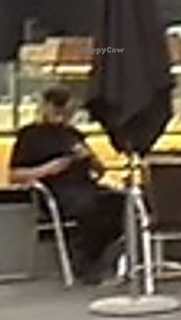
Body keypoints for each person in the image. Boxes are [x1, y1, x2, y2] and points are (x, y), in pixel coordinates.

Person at [9, 86, 123, 284]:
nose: (61, 115)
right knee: (91, 207)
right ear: (45, 107)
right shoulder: (30, 136)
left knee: (121, 203)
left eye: (66, 111)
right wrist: (48, 169)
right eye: (57, 109)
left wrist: (90, 158)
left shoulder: (72, 134)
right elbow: (15, 175)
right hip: (56, 191)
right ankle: (86, 261)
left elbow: (99, 170)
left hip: (85, 186)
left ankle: (102, 258)